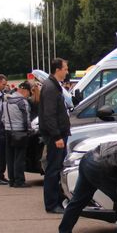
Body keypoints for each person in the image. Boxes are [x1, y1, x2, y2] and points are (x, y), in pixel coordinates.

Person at [40, 58, 71, 213]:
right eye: (65, 69)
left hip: (59, 133)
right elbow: (49, 115)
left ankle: (57, 200)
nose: (67, 71)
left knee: (57, 168)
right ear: (57, 69)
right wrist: (57, 136)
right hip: (55, 136)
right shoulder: (50, 87)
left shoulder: (53, 85)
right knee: (53, 169)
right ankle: (52, 204)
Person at [2, 81, 33, 188]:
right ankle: (19, 181)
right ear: (25, 90)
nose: (29, 95)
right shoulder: (22, 102)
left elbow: (2, 118)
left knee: (10, 157)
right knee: (19, 157)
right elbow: (26, 119)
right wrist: (29, 130)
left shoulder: (6, 101)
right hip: (19, 131)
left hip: (7, 130)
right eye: (29, 93)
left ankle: (12, 180)